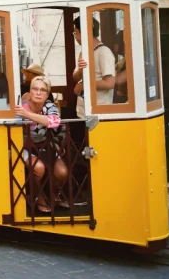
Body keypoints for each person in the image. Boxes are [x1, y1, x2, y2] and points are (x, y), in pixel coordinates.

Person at [15, 76, 69, 213]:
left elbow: (54, 122)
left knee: (62, 172)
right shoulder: (21, 105)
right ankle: (38, 197)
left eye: (43, 90)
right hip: (24, 147)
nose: (38, 93)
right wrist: (26, 112)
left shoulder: (49, 105)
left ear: (47, 93)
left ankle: (53, 196)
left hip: (46, 146)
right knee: (38, 168)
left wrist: (27, 114)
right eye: (35, 89)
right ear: (30, 91)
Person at [71, 17, 115, 119]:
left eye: (76, 33)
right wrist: (80, 71)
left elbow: (109, 83)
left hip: (99, 114)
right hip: (83, 112)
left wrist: (84, 85)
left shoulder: (104, 52)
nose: (75, 37)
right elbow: (75, 76)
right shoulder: (84, 52)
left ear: (86, 32)